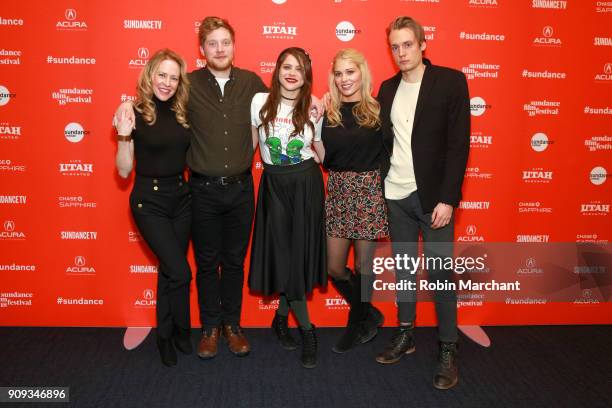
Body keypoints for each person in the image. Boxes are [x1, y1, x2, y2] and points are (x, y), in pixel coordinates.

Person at [115, 18, 323, 360]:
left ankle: (233, 327)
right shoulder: (188, 84)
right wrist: (126, 106)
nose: (220, 49)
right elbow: (157, 99)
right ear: (202, 49)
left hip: (241, 190)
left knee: (235, 263)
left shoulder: (251, 84)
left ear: (234, 45)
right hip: (201, 192)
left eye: (225, 42)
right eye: (212, 43)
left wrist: (314, 97)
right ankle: (210, 328)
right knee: (207, 264)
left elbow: (285, 97)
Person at [375, 16, 470, 390]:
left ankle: (448, 347)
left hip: (433, 200)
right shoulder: (386, 88)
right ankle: (406, 333)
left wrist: (448, 197)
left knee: (441, 274)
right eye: (395, 47)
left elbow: (458, 144)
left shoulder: (450, 81)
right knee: (403, 269)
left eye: (407, 45)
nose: (401, 53)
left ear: (422, 44)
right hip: (394, 195)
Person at [248, 47, 326, 369]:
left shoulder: (314, 106)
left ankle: (282, 320)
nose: (292, 73)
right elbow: (249, 147)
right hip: (275, 187)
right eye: (287, 66)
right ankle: (308, 330)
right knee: (285, 257)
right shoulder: (258, 102)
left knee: (296, 257)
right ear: (278, 69)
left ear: (306, 76)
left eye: (300, 69)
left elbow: (319, 150)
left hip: (307, 186)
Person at [115, 49, 193, 367]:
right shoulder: (132, 111)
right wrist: (122, 134)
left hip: (183, 198)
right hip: (150, 201)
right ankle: (172, 332)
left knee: (168, 270)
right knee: (180, 270)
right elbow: (122, 170)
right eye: (162, 75)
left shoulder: (183, 111)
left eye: (174, 77)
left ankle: (169, 333)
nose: (167, 82)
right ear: (150, 75)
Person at [314, 48, 387, 353]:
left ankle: (355, 325)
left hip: (369, 189)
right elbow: (323, 159)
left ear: (361, 73)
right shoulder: (326, 111)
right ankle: (368, 312)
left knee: (363, 266)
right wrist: (316, 124)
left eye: (350, 72)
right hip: (339, 189)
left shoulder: (378, 110)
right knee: (333, 267)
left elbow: (391, 154)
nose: (344, 79)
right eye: (339, 73)